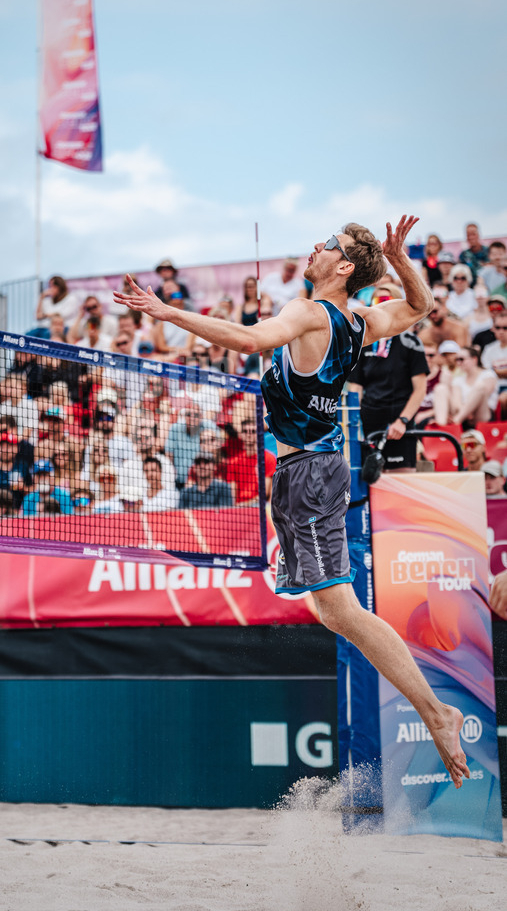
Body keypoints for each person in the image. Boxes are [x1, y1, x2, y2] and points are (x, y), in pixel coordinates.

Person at [113, 214, 469, 788]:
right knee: (333, 611)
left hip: (308, 471)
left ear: (344, 265)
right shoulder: (358, 319)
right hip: (318, 466)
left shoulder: (309, 313)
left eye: (326, 245)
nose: (315, 247)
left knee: (344, 610)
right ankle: (434, 710)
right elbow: (417, 307)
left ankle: (436, 713)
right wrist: (401, 261)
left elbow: (251, 339)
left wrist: (167, 312)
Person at [348, 285, 429, 471]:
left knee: (401, 480)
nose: (381, 307)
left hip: (399, 423)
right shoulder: (364, 343)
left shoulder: (411, 342)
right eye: (376, 302)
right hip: (370, 423)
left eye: (386, 302)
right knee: (372, 483)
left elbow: (420, 389)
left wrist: (403, 421)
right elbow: (356, 387)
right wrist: (355, 423)